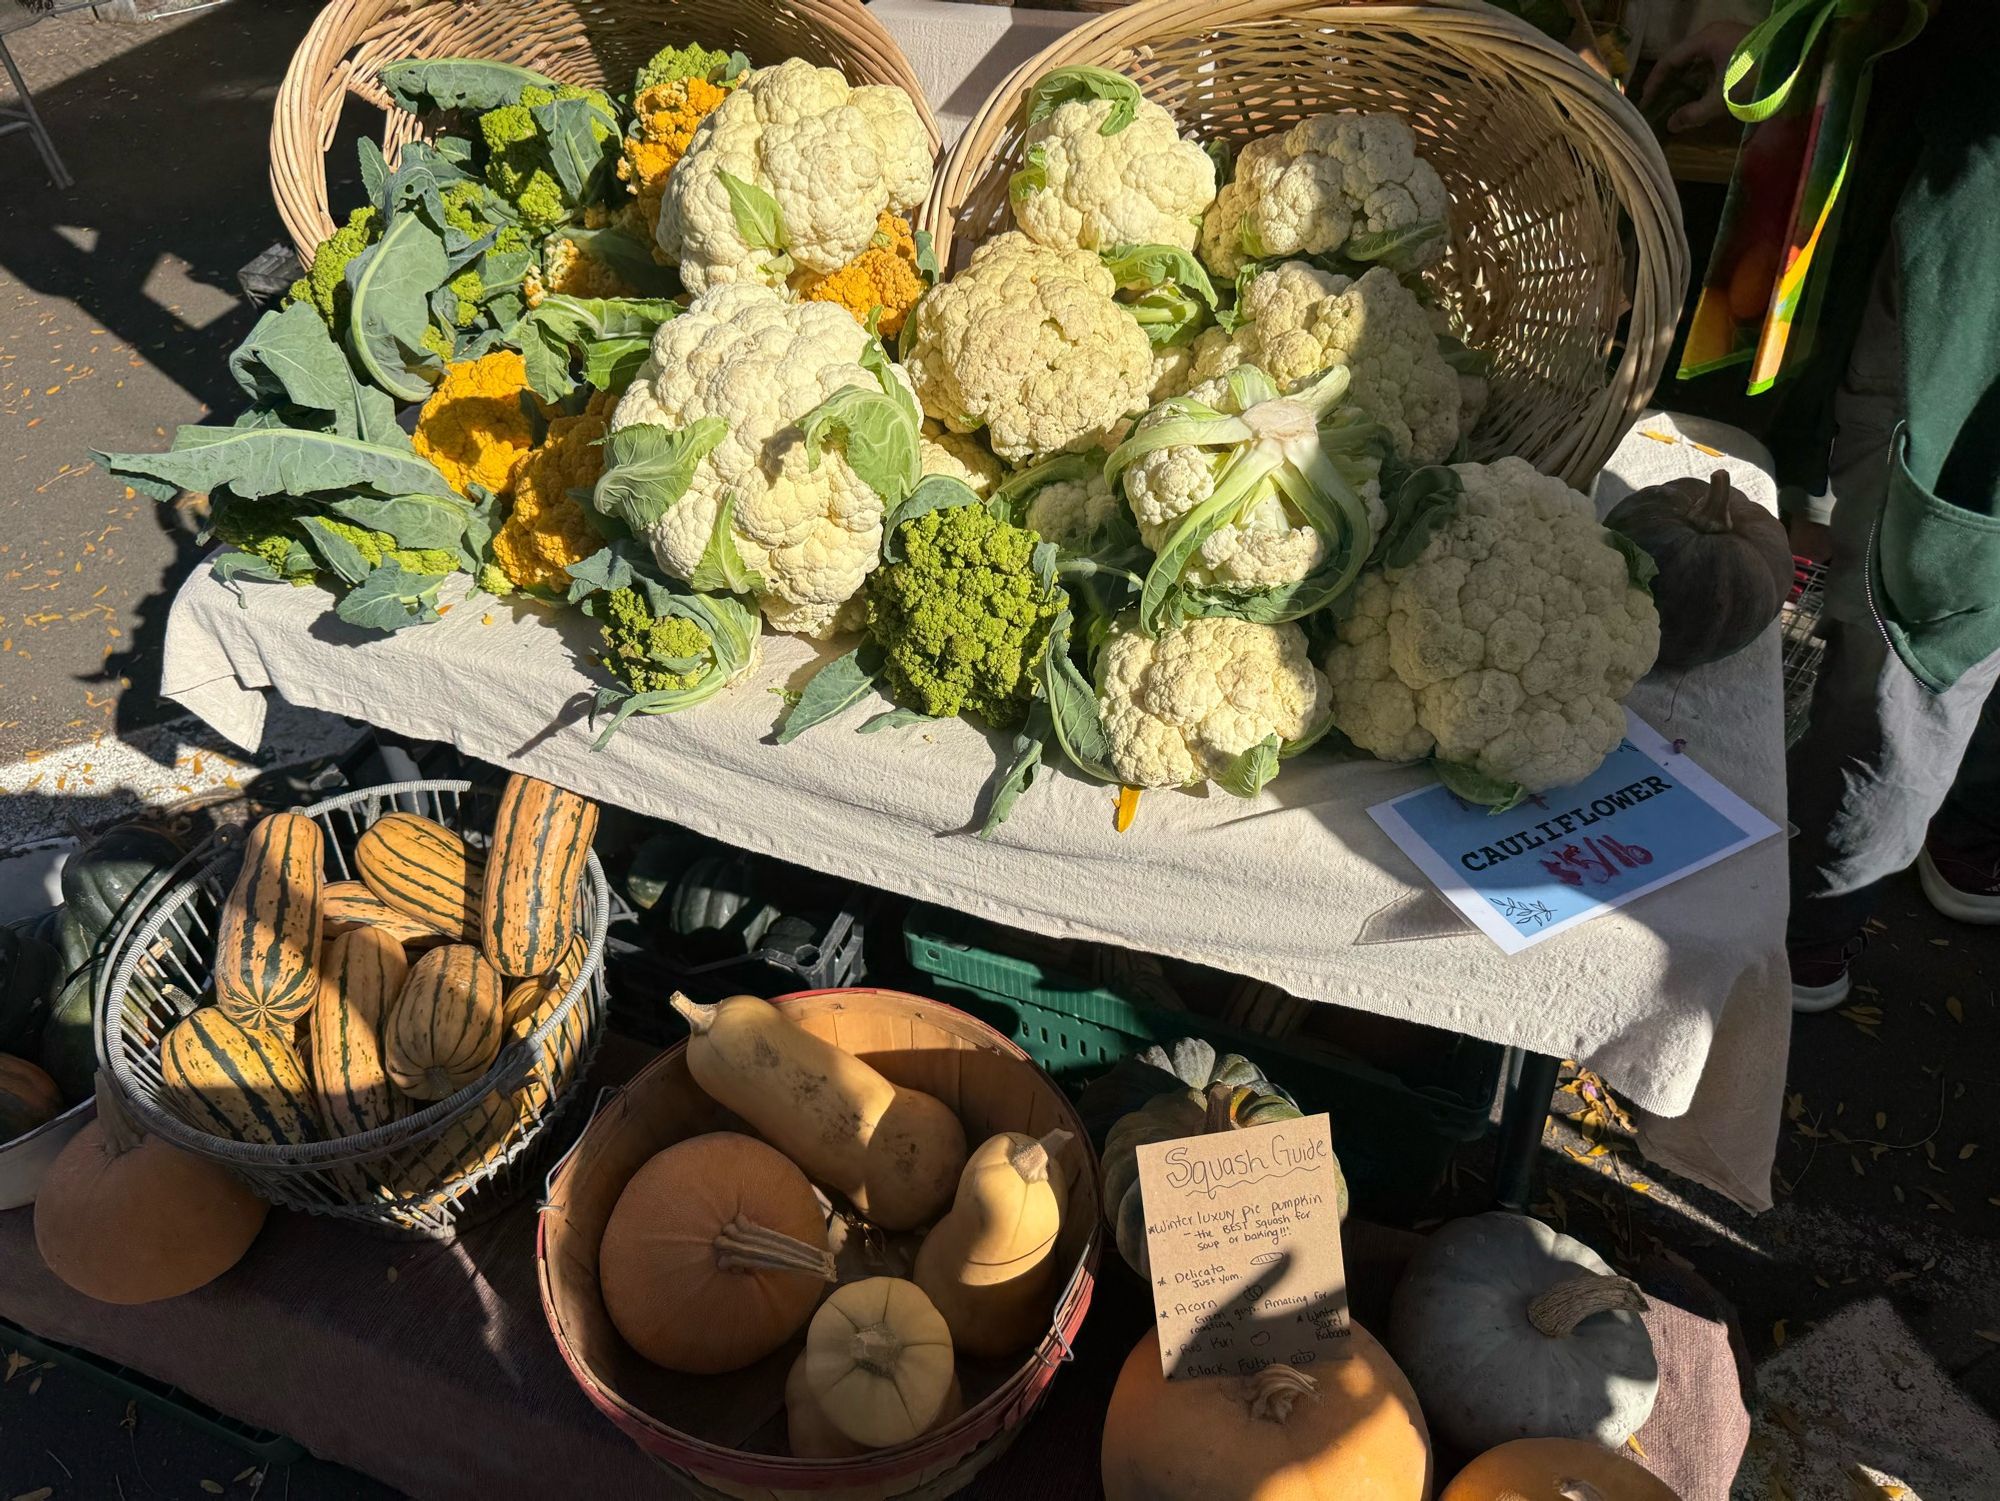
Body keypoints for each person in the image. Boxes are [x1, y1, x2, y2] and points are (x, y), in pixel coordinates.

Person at [1646, 3, 2000, 1012]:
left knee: (1929, 599)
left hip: (1979, 218)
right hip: (1939, 121)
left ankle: (1802, 929)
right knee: (1926, 559)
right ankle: (1955, 834)